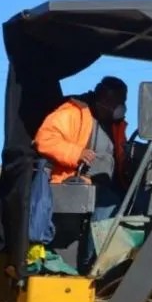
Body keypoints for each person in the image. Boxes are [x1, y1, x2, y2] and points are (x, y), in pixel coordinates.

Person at [33, 75, 130, 221]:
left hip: (107, 186)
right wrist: (77, 153)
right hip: (73, 185)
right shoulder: (74, 112)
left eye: (123, 102)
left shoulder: (117, 126)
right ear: (103, 99)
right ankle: (98, 244)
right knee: (109, 205)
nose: (121, 107)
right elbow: (44, 139)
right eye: (118, 102)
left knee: (131, 203)